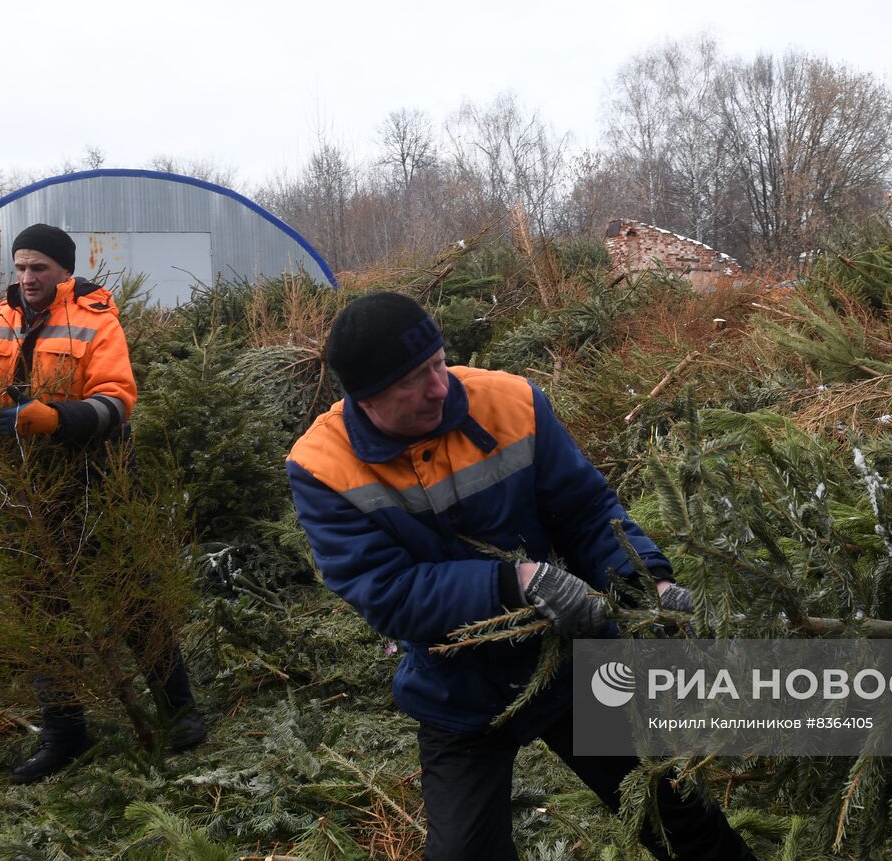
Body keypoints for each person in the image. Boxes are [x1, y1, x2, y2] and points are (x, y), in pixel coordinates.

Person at [288, 292, 756, 860]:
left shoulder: (510, 401)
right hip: (456, 688)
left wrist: (646, 584)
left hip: (571, 657)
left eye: (439, 363)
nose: (440, 387)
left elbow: (586, 513)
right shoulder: (321, 467)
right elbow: (387, 593)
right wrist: (514, 583)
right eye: (414, 380)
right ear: (365, 397)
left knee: (680, 819)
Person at [0, 223, 206, 784]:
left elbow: (117, 403)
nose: (27, 278)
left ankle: (180, 712)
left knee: (133, 596)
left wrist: (55, 419)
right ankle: (65, 734)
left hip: (96, 481)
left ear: (64, 271)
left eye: (39, 268)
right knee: (41, 608)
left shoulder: (97, 322)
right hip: (19, 490)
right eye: (21, 267)